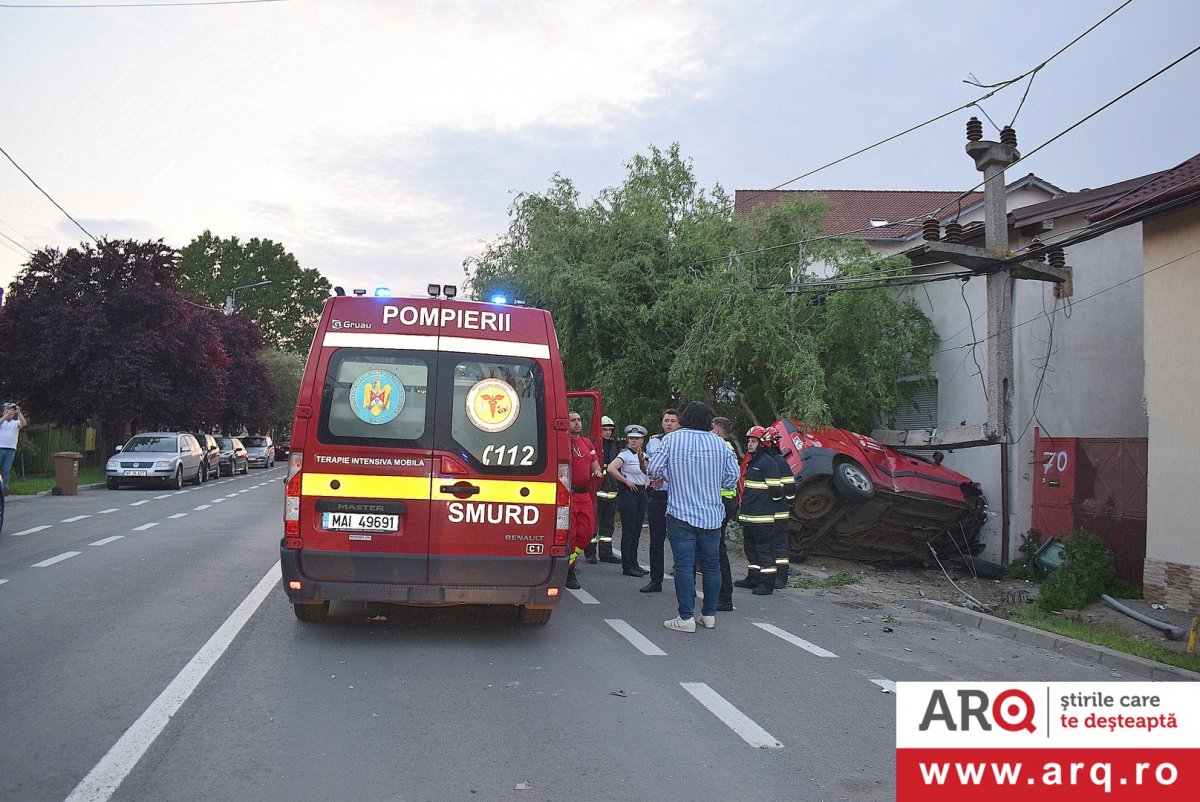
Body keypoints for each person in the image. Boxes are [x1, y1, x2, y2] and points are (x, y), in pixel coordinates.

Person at [646, 401, 739, 632]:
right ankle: (708, 615)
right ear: (709, 421)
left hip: (681, 513)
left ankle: (686, 617)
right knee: (711, 565)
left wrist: (671, 476)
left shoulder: (671, 440)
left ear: (684, 418)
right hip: (711, 515)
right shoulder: (720, 444)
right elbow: (732, 478)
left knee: (685, 566)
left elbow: (654, 470)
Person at [736, 426, 781, 595]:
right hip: (750, 517)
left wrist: (766, 507)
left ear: (762, 444)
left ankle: (767, 583)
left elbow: (776, 492)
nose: (749, 444)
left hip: (762, 518)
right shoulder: (753, 461)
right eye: (749, 441)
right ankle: (753, 578)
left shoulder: (768, 463)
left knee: (765, 552)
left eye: (753, 441)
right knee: (751, 550)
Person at [639, 408, 679, 593]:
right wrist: (642, 463)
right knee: (656, 539)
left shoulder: (682, 441)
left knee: (679, 539)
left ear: (679, 424)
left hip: (677, 495)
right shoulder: (654, 441)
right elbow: (648, 467)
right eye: (666, 420)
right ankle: (656, 580)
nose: (669, 423)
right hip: (657, 495)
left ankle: (683, 577)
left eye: (672, 420)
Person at [566, 411, 603, 590]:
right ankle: (569, 571)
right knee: (571, 536)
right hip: (568, 495)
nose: (577, 423)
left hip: (584, 495)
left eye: (579, 420)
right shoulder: (563, 441)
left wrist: (596, 471)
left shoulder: (587, 442)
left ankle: (569, 563)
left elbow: (594, 463)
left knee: (587, 533)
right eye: (573, 420)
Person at [608, 424, 650, 577]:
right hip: (629, 493)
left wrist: (647, 480)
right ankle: (627, 566)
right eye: (631, 438)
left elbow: (647, 471)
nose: (633, 441)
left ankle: (634, 563)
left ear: (642, 440)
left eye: (636, 439)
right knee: (629, 530)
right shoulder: (624, 455)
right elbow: (611, 469)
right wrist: (625, 481)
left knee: (637, 530)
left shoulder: (643, 455)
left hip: (640, 492)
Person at [585, 415, 622, 565]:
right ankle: (590, 553)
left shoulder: (615, 446)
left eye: (609, 430)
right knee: (593, 524)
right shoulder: (592, 445)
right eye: (604, 429)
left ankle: (606, 553)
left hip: (611, 491)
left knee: (608, 526)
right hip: (597, 491)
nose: (607, 433)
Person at [710, 416, 738, 611]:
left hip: (721, 500)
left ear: (717, 432)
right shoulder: (727, 448)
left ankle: (724, 597)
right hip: (724, 500)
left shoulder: (722, 449)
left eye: (711, 430)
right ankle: (721, 595)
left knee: (717, 549)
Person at [761, 427, 795, 589]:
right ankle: (770, 575)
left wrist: (782, 503)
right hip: (769, 512)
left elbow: (790, 488)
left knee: (779, 545)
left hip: (779, 513)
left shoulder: (779, 462)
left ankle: (781, 577)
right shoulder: (768, 460)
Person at [0, 403, 28, 492]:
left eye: (11, 412)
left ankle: (5, 488)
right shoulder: (2, 422)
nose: (9, 413)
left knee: (6, 469)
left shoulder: (15, 423)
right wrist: (6, 415)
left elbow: (23, 423)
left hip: (11, 449)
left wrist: (19, 412)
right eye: (7, 411)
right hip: (0, 447)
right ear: (3, 412)